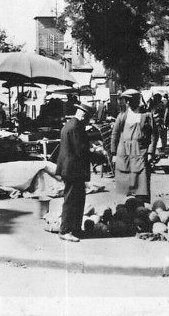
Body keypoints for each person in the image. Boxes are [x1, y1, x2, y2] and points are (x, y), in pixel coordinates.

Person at [55, 102, 96, 242]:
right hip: (73, 169)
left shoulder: (70, 124)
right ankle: (65, 230)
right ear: (83, 115)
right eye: (88, 118)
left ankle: (75, 229)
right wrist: (96, 154)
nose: (88, 121)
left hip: (70, 168)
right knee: (71, 200)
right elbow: (81, 150)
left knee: (78, 199)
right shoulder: (76, 127)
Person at [110, 89, 156, 204]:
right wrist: (114, 153)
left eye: (131, 100)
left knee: (142, 179)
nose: (129, 103)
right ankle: (129, 207)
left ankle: (143, 207)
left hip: (140, 152)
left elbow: (155, 134)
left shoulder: (147, 115)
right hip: (124, 152)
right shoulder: (122, 116)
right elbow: (115, 134)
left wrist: (150, 152)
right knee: (127, 181)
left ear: (137, 100)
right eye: (127, 100)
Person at [148, 93, 167, 162]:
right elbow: (162, 114)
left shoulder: (152, 105)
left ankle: (158, 151)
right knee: (160, 137)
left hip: (155, 122)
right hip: (159, 122)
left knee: (157, 137)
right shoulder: (160, 105)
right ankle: (160, 151)